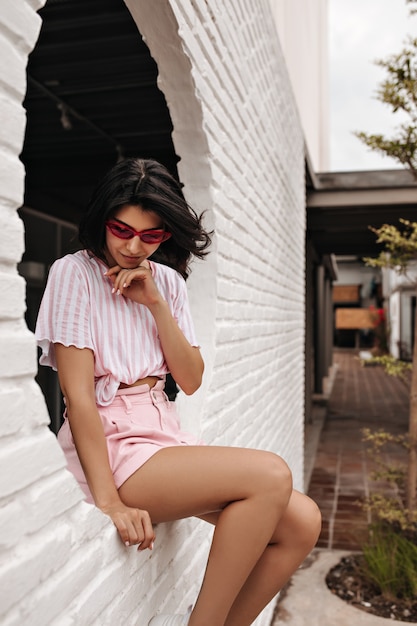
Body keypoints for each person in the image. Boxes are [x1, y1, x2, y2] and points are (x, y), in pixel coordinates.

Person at [35, 158, 321, 626]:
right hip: (113, 444)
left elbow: (189, 379)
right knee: (270, 473)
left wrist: (155, 304)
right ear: (100, 220)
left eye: (150, 236)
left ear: (165, 235)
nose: (132, 246)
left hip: (161, 432)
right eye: (120, 229)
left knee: (302, 523)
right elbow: (78, 398)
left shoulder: (166, 282)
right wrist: (109, 501)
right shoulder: (75, 274)